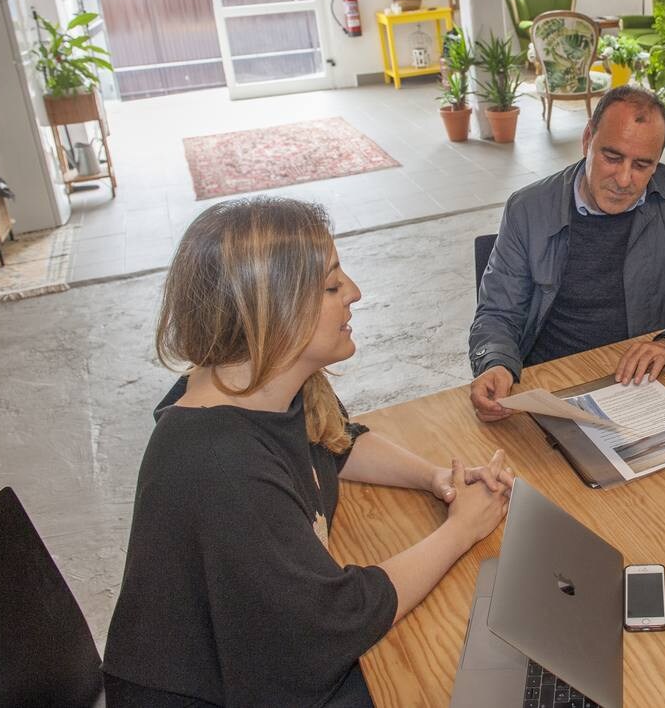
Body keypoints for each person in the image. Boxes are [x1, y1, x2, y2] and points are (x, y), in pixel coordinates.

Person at [103, 198, 514, 707]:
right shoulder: (220, 465)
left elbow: (335, 439)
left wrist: (436, 479)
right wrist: (461, 528)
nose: (355, 294)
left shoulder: (259, 384)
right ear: (271, 308)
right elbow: (338, 618)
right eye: (331, 286)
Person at [468, 85, 665, 422]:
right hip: (550, 384)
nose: (623, 179)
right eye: (612, 157)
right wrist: (496, 364)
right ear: (587, 138)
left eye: (642, 165)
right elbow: (497, 313)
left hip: (640, 383)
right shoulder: (527, 207)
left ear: (658, 162)